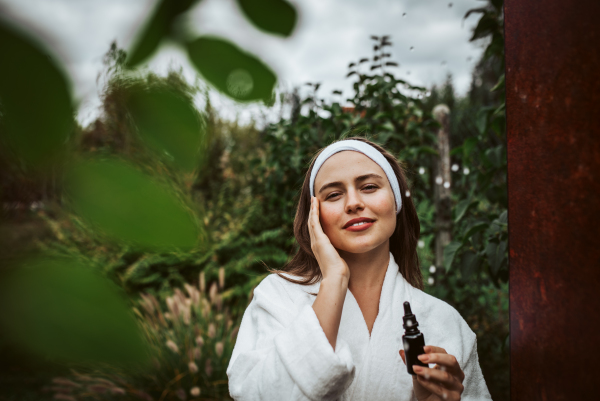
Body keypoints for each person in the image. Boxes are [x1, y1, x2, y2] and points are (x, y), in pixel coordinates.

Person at [226, 137, 492, 400]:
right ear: (313, 216)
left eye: (369, 187)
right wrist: (334, 281)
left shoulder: (445, 322)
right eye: (333, 194)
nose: (353, 203)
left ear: (396, 201)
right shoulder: (278, 298)